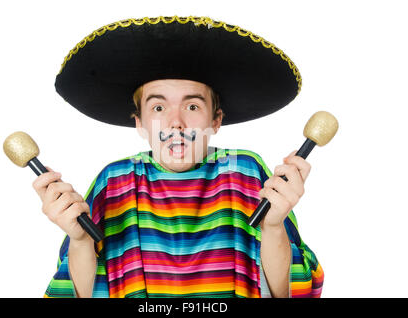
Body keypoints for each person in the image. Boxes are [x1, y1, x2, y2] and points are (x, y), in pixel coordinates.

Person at [35, 16, 324, 298]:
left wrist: (273, 227)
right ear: (140, 122)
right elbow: (82, 294)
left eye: (193, 107)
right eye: (158, 108)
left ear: (215, 120)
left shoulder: (245, 172)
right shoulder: (115, 181)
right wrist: (80, 239)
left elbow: (286, 292)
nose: (176, 123)